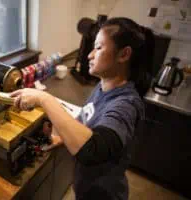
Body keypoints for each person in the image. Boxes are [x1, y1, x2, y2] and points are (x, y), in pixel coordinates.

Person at [11, 17, 155, 200]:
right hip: (85, 188)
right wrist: (60, 137)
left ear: (124, 54)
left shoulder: (126, 104)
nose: (90, 55)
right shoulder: (102, 87)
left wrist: (44, 99)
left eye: (99, 48)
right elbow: (86, 122)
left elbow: (93, 149)